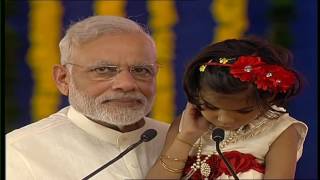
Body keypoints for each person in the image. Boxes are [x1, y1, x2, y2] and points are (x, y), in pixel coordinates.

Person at [6, 15, 169, 180]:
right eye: (104, 70)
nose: (126, 84)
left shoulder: (180, 142)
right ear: (63, 79)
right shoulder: (19, 153)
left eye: (141, 70)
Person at [146, 37, 308, 179]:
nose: (224, 119)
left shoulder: (280, 130)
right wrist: (186, 138)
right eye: (211, 106)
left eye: (242, 110)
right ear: (197, 95)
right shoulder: (185, 124)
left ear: (268, 98)